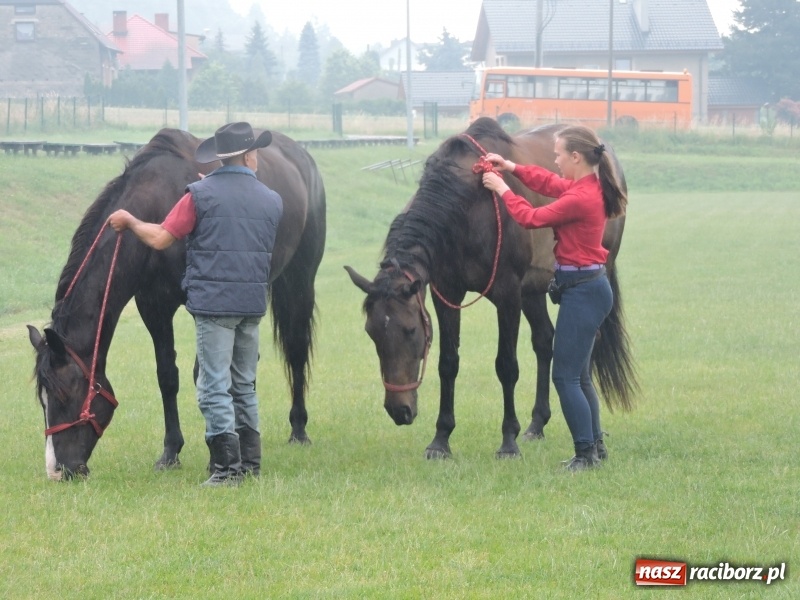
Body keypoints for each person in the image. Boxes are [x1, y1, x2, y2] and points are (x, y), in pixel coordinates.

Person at [108, 122, 283, 486]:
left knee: (213, 386)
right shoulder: (272, 200)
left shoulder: (199, 195)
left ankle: (225, 470)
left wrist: (128, 220)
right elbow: (238, 219)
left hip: (215, 307)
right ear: (248, 156)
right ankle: (250, 463)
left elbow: (159, 238)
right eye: (256, 153)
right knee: (244, 384)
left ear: (221, 159)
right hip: (252, 305)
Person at [481, 125, 627, 472]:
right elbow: (547, 183)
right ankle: (595, 449)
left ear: (576, 157)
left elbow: (531, 217)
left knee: (565, 378)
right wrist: (512, 168)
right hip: (590, 289)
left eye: (559, 154)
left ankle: (585, 455)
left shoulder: (580, 198)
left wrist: (501, 189)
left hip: (582, 293)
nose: (556, 160)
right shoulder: (587, 186)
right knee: (581, 377)